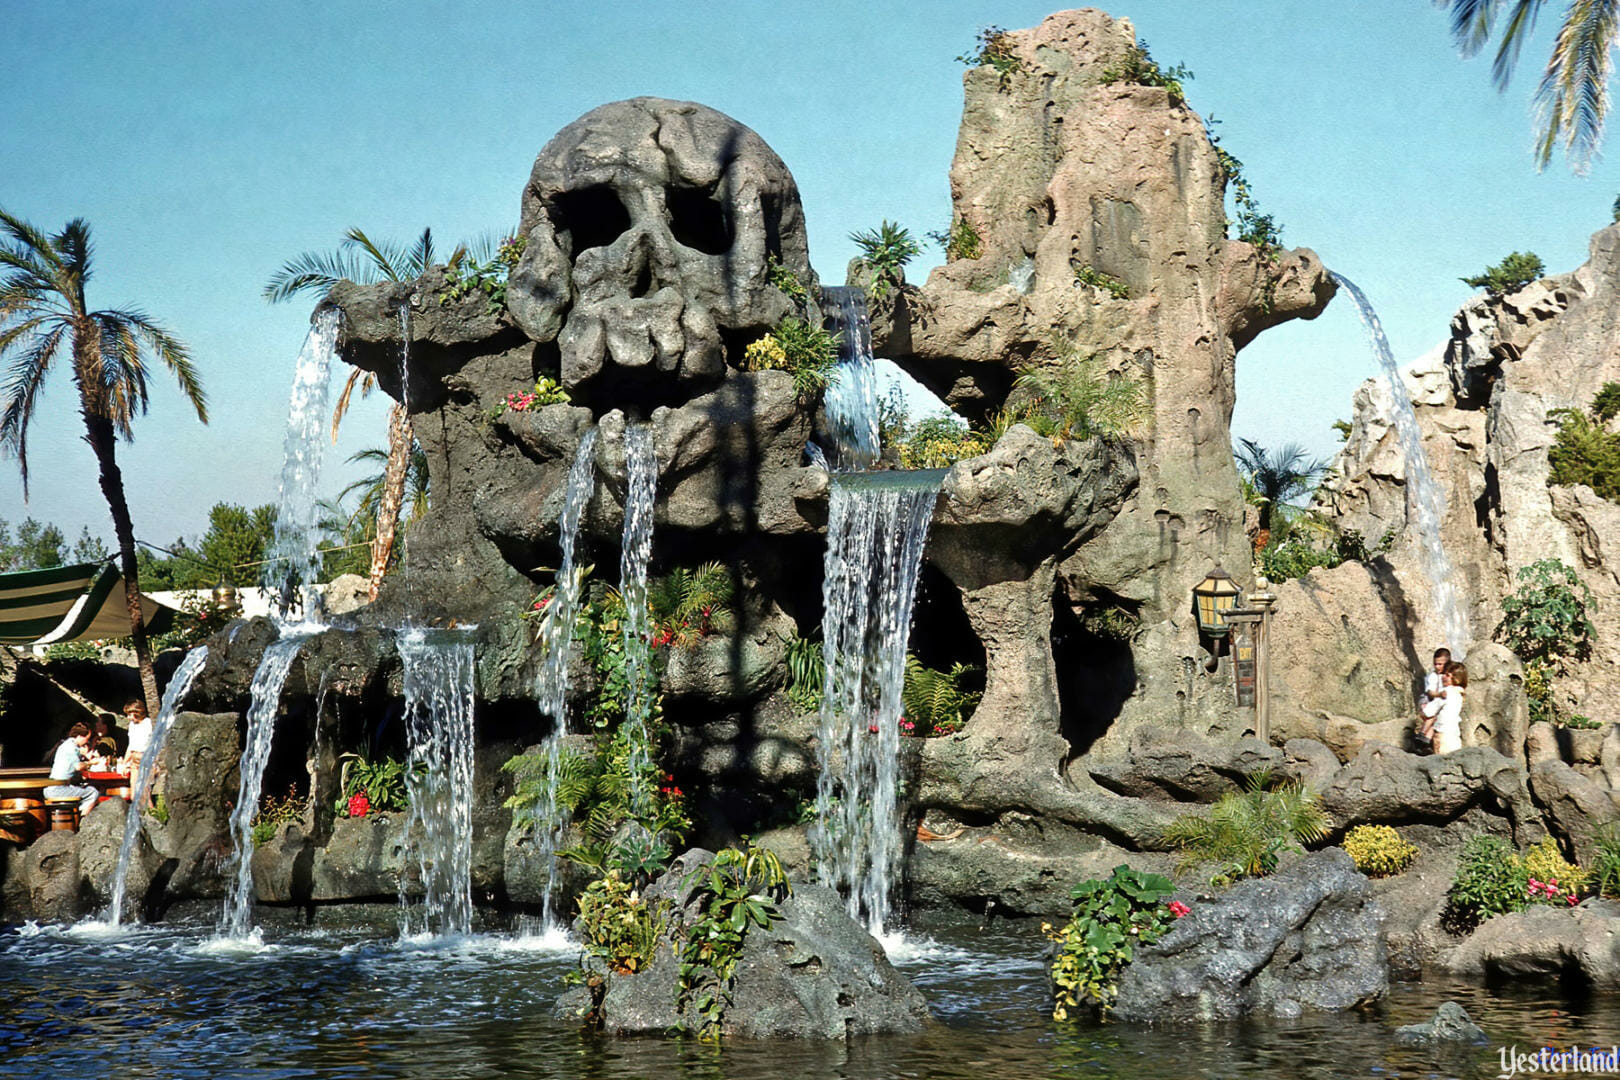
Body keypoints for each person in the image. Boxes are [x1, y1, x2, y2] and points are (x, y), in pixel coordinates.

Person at [45, 723, 99, 817]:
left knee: (83, 788)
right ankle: (82, 819)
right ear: (80, 736)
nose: (87, 741)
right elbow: (78, 766)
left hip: (53, 787)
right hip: (58, 789)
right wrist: (91, 763)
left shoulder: (67, 745)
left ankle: (78, 814)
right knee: (93, 792)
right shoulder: (71, 748)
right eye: (87, 738)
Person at [1432, 661, 1467, 755]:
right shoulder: (1459, 693)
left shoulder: (1447, 692)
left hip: (1442, 735)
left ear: (1456, 678)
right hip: (1454, 735)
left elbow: (1430, 711)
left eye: (1447, 675)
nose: (1443, 677)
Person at [1417, 647, 1450, 745]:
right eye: (1435, 664)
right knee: (1433, 715)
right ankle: (1422, 733)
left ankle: (1425, 741)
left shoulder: (1448, 675)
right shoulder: (1433, 676)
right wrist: (1440, 694)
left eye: (1440, 664)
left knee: (1437, 720)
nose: (1437, 667)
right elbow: (1430, 692)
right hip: (1428, 700)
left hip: (1439, 703)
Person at [123, 698, 154, 778]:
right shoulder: (132, 725)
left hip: (145, 757)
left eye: (130, 715)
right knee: (134, 786)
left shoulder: (148, 724)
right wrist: (125, 763)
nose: (128, 717)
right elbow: (131, 745)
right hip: (134, 758)